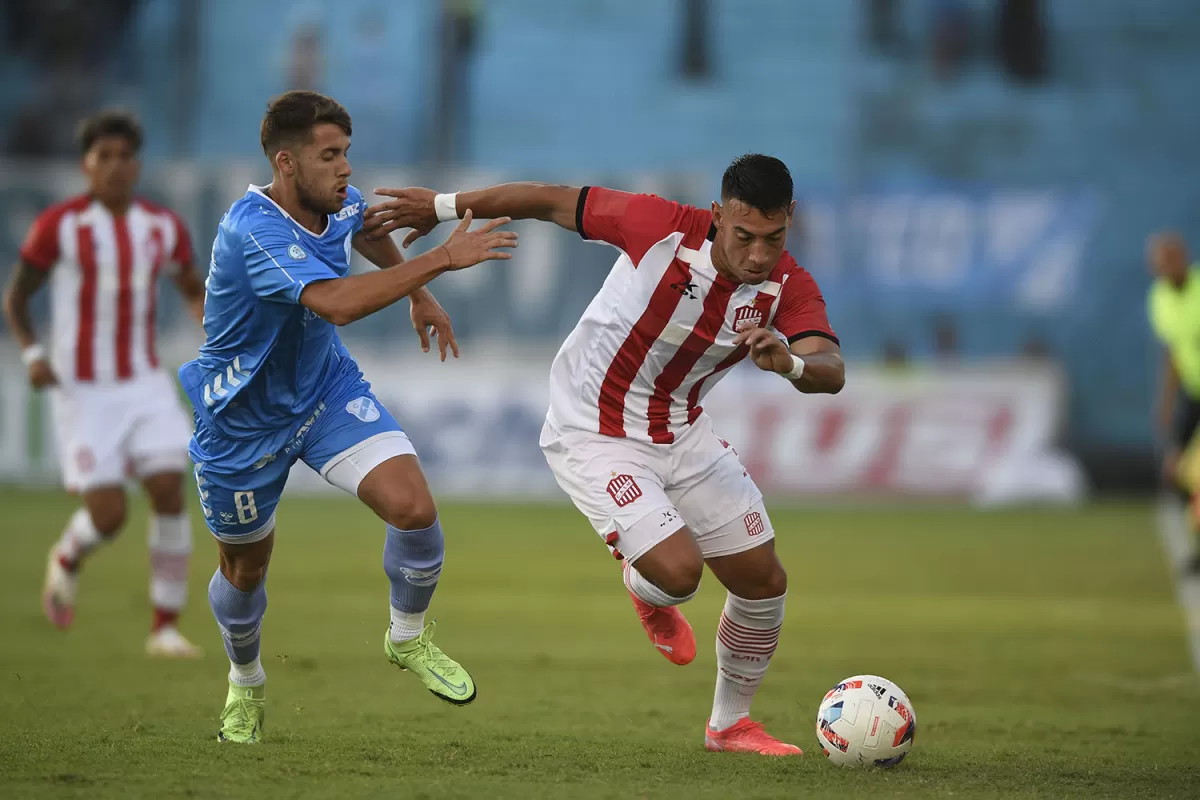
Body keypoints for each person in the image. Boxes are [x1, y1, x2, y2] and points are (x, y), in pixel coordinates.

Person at [364, 154, 845, 755]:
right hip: (592, 429)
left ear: (790, 221)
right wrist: (441, 207)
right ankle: (645, 588)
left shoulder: (787, 286)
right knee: (677, 575)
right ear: (718, 215)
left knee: (763, 582)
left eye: (772, 239)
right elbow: (546, 198)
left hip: (682, 431)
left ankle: (729, 726)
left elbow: (831, 368)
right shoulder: (659, 227)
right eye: (743, 236)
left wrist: (794, 363)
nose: (756, 255)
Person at [180, 90, 516, 744]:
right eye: (329, 156)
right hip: (242, 422)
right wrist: (441, 260)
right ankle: (244, 680)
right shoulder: (254, 229)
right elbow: (334, 302)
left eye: (347, 154)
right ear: (285, 162)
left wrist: (419, 293)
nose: (344, 170)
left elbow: (364, 228)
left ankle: (407, 639)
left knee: (415, 509)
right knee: (245, 571)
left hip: (323, 390)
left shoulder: (335, 202)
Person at [3, 110, 206, 657]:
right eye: (104, 157)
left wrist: (206, 316)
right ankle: (68, 555)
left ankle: (164, 627)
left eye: (124, 157)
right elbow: (17, 296)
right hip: (83, 389)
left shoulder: (162, 227)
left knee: (168, 487)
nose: (115, 166)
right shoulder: (60, 225)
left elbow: (190, 285)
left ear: (137, 165)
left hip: (144, 380)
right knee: (109, 515)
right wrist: (33, 353)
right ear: (86, 164)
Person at [1146, 231, 1200, 572]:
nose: (1164, 266)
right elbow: (1173, 352)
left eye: (1170, 258)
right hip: (1193, 392)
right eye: (1158, 261)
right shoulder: (1159, 298)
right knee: (1175, 470)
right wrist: (1165, 401)